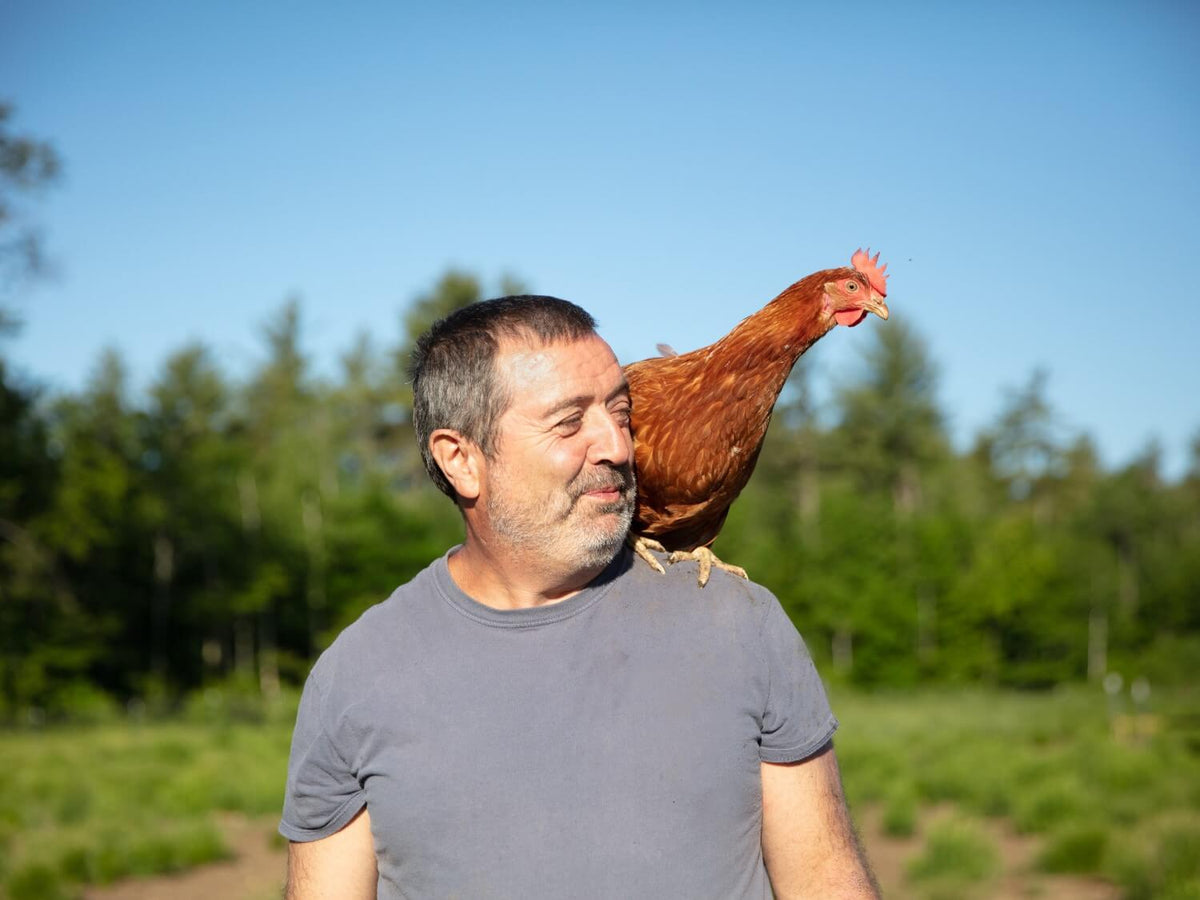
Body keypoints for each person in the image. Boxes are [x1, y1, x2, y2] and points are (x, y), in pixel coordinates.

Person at [279, 295, 878, 899]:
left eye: (621, 414)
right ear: (461, 461)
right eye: (569, 422)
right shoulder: (357, 677)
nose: (618, 447)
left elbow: (826, 880)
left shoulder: (741, 625)